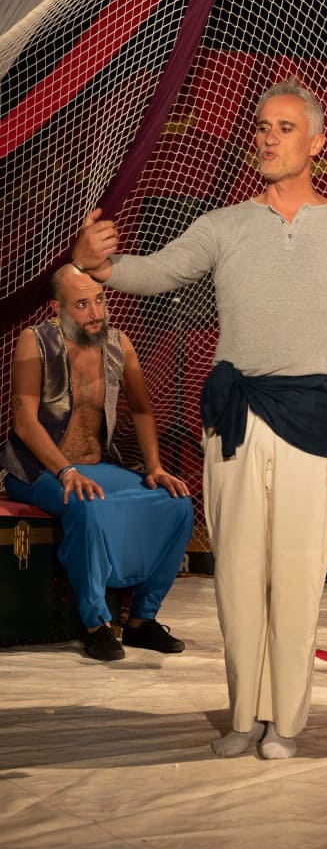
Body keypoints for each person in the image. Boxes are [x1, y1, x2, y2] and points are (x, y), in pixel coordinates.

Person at [70, 77, 327, 760]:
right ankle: (244, 717)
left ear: (318, 143)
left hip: (315, 420)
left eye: (284, 127)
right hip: (235, 417)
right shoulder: (223, 225)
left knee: (297, 577)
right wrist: (98, 266)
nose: (268, 137)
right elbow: (156, 273)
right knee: (237, 575)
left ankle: (286, 723)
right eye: (262, 126)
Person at [1, 265, 193, 662]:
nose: (95, 313)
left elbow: (141, 409)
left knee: (177, 505)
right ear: (57, 308)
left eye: (100, 301)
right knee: (87, 506)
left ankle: (141, 620)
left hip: (97, 464)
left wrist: (155, 467)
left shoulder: (119, 343)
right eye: (82, 304)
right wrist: (66, 471)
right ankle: (96, 626)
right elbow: (24, 422)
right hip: (36, 470)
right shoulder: (34, 341)